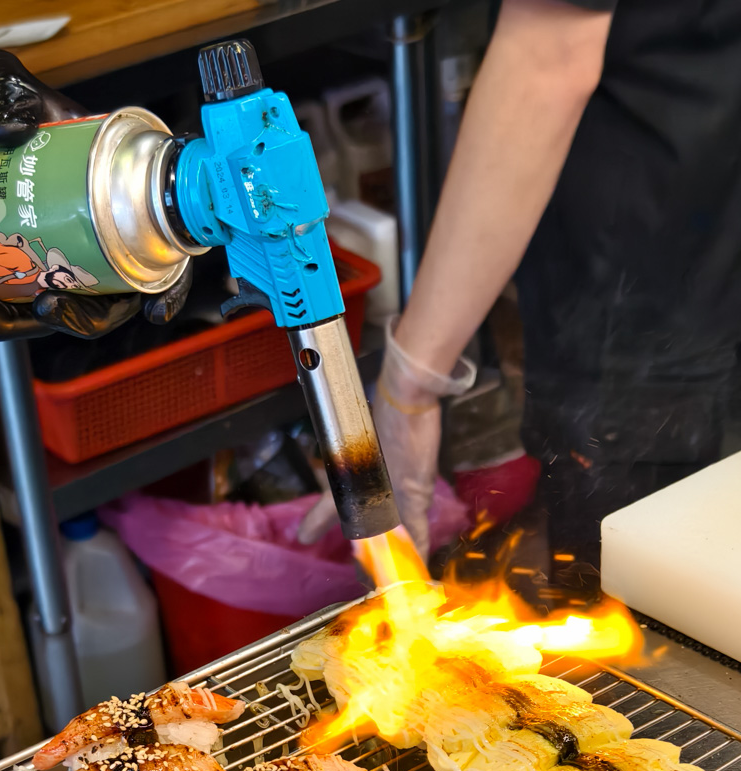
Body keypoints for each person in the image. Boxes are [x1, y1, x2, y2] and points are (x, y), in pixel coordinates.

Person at [306, 0, 741, 572]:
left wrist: (408, 384)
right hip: (708, 206)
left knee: (642, 600)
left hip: (643, 274)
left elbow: (548, 55)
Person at [0, 47, 190, 339]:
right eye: (68, 276)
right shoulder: (19, 258)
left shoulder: (27, 263)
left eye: (68, 277)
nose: (65, 276)